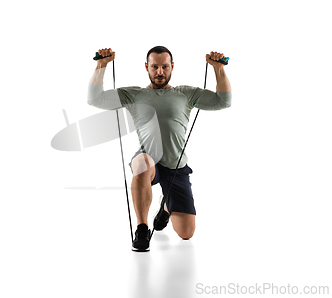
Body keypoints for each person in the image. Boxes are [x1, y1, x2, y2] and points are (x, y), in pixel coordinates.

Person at [87, 46, 232, 251]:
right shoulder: (135, 95)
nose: (160, 72)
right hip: (149, 159)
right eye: (155, 67)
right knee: (142, 164)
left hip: (176, 166)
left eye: (165, 66)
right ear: (147, 67)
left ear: (172, 67)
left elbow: (223, 101)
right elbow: (95, 99)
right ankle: (142, 228)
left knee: (186, 233)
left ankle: (165, 205)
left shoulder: (186, 94)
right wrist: (101, 65)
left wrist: (218, 69)